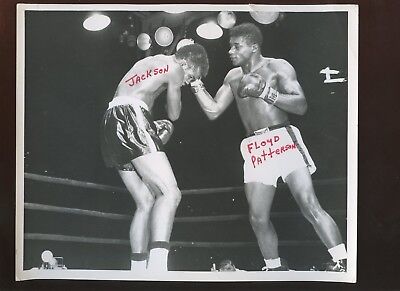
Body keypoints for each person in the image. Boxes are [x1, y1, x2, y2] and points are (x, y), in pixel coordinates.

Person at [190, 23, 347, 271]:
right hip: (254, 147)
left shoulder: (277, 67)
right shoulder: (232, 77)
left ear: (253, 47)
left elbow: (301, 105)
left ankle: (342, 260)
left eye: (236, 46)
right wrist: (196, 84)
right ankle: (274, 267)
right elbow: (213, 110)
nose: (230, 51)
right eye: (230, 46)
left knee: (308, 203)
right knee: (257, 217)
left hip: (282, 139)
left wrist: (266, 92)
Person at [100, 44, 209, 272]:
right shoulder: (176, 69)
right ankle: (158, 268)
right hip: (132, 117)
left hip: (111, 120)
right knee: (170, 193)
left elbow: (132, 93)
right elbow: (174, 113)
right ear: (187, 63)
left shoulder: (150, 61)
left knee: (145, 201)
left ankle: (137, 269)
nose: (189, 81)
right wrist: (181, 85)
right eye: (192, 75)